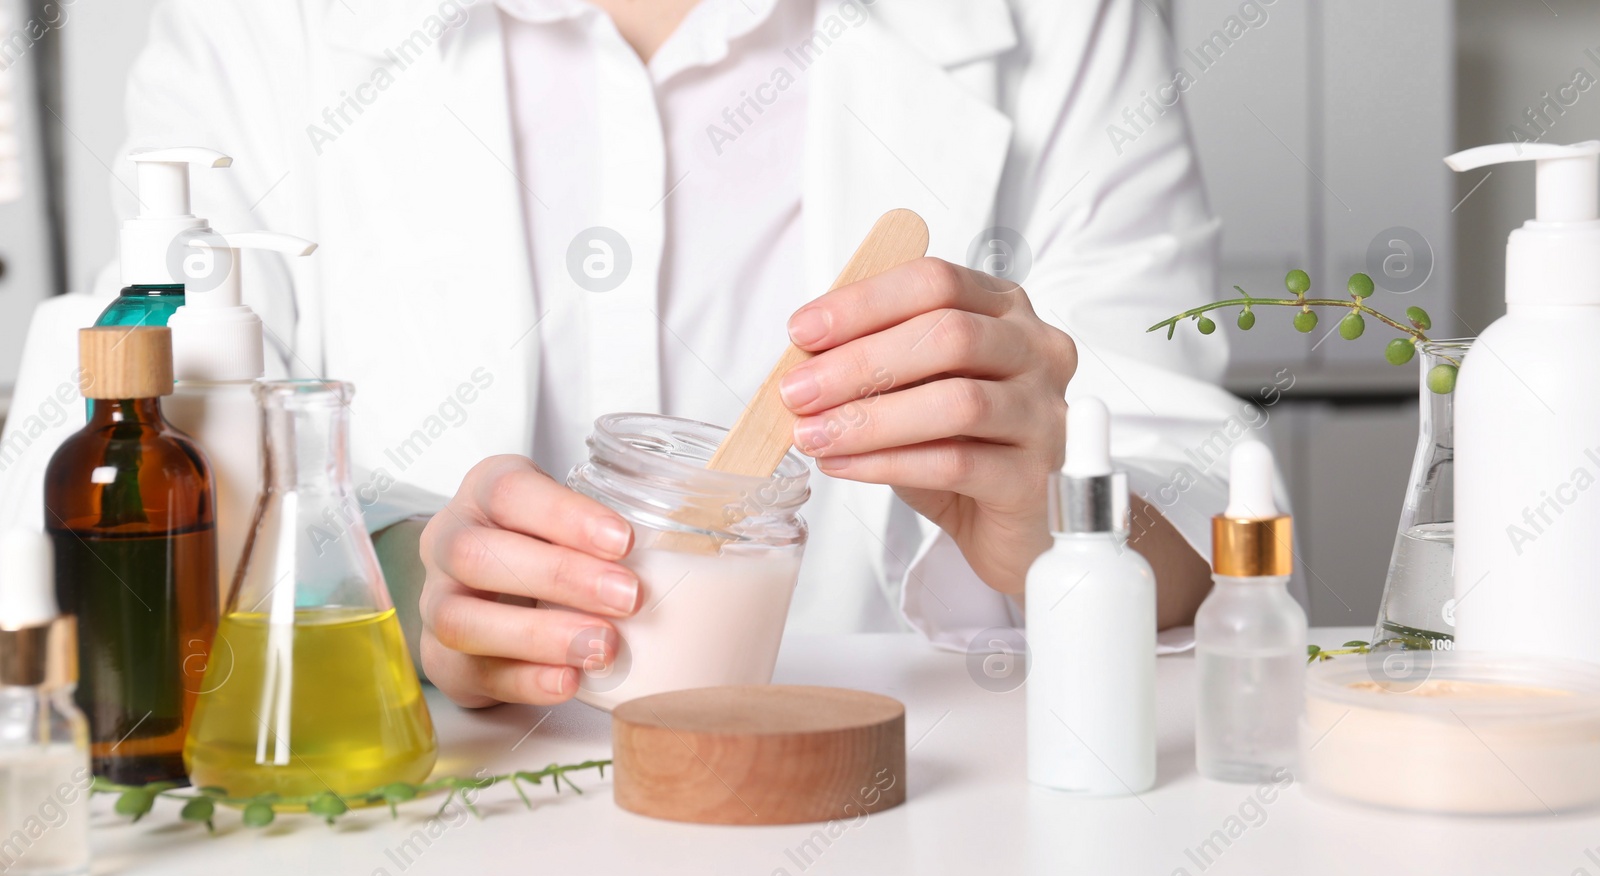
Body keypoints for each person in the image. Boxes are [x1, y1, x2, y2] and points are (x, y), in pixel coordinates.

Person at [0, 0, 1249, 708]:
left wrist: (1064, 520)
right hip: (436, 820)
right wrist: (411, 584)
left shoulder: (1064, 19)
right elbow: (171, 466)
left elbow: (1203, 525)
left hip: (923, 816)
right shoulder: (262, 28)